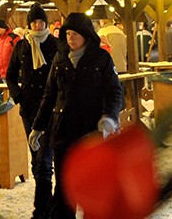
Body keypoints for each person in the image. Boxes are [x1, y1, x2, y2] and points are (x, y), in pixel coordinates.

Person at [29, 13, 122, 219]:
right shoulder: (59, 58)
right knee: (64, 190)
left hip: (91, 133)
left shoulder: (101, 58)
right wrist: (38, 126)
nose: (71, 38)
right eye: (68, 34)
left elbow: (114, 92)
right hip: (63, 133)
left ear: (86, 35)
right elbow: (50, 94)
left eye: (75, 34)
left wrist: (110, 117)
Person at [6, 3, 60, 219]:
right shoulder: (21, 46)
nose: (38, 25)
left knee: (44, 161)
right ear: (29, 24)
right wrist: (17, 96)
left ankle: (42, 211)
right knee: (37, 160)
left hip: (50, 108)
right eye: (34, 22)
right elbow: (10, 74)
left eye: (41, 22)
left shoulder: (56, 44)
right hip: (28, 108)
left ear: (46, 23)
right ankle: (45, 207)